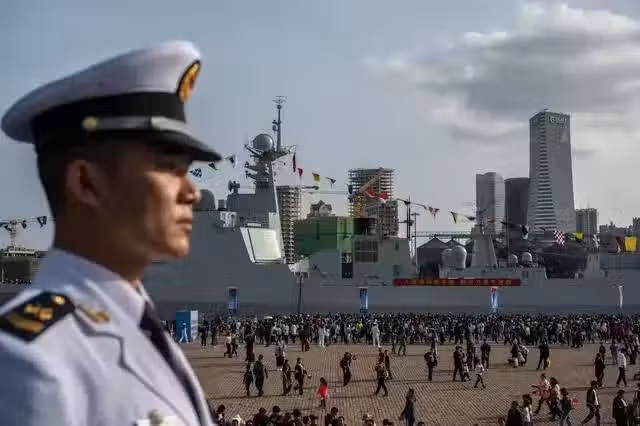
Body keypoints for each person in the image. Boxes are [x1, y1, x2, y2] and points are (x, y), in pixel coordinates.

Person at [0, 40, 222, 425]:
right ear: (86, 182)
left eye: (187, 170)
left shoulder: (142, 331)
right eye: (168, 166)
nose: (192, 192)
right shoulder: (27, 361)